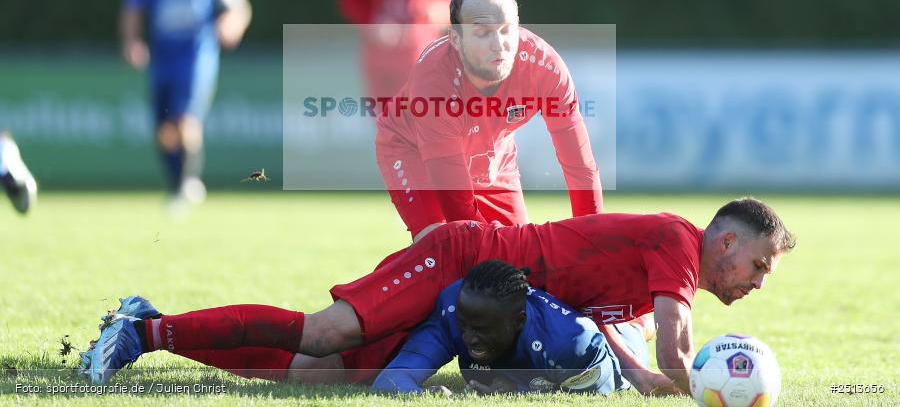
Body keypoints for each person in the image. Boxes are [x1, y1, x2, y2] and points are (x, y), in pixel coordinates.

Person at [79, 197, 794, 395]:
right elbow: (674, 349)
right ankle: (138, 334)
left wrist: (669, 390)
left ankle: (149, 324)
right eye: (758, 264)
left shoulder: (650, 277)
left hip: (478, 301)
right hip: (462, 258)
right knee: (325, 333)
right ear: (725, 241)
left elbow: (639, 365)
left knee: (315, 374)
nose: (758, 282)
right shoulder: (676, 241)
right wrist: (713, 390)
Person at [376, 0, 603, 242]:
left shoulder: (545, 68)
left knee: (521, 255)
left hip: (492, 161)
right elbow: (457, 204)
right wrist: (487, 249)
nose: (499, 44)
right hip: (414, 151)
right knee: (447, 246)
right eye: (483, 33)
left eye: (507, 30)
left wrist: (593, 236)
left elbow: (579, 166)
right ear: (455, 39)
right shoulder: (434, 81)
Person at [119, 0, 252, 208]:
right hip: (162, 60)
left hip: (196, 57)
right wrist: (131, 41)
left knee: (186, 119)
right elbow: (132, 10)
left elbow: (239, 6)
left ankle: (188, 183)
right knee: (163, 129)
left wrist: (232, 24)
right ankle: (177, 183)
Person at [371, 260, 648, 395]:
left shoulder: (572, 344)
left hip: (617, 341)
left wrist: (521, 388)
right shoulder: (452, 312)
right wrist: (423, 395)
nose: (469, 338)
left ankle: (645, 321)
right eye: (465, 326)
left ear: (519, 321)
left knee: (635, 330)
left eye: (483, 329)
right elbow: (390, 380)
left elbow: (599, 394)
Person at [0, 132, 37, 214]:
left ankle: (16, 189)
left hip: (18, 180)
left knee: (5, 174)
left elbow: (3, 170)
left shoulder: (4, 146)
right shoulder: (6, 145)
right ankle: (15, 189)